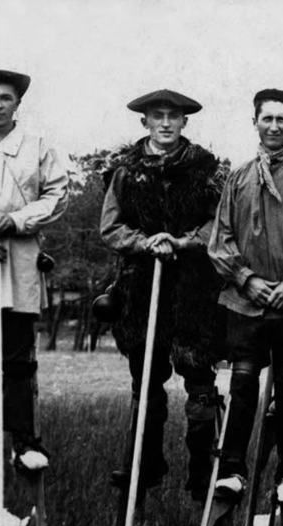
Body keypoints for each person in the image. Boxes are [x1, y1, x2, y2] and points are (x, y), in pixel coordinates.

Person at [100, 89, 227, 498]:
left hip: (194, 289)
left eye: (174, 116)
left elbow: (219, 224)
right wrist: (144, 242)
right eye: (158, 116)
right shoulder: (126, 171)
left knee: (200, 383)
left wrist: (183, 241)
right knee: (146, 382)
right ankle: (145, 464)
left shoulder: (205, 169)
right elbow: (111, 227)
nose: (167, 123)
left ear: (185, 122)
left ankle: (202, 469)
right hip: (141, 289)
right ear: (145, 122)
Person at [208, 88, 283, 502]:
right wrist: (246, 279)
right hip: (246, 301)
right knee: (242, 382)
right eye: (267, 119)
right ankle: (232, 469)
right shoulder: (238, 176)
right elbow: (220, 240)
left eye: (282, 119)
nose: (275, 126)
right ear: (255, 122)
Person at [0, 67, 69, 470]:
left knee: (18, 359)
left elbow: (57, 195)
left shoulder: (36, 145)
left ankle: (24, 443)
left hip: (19, 265)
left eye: (6, 98)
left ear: (18, 103)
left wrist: (15, 220)